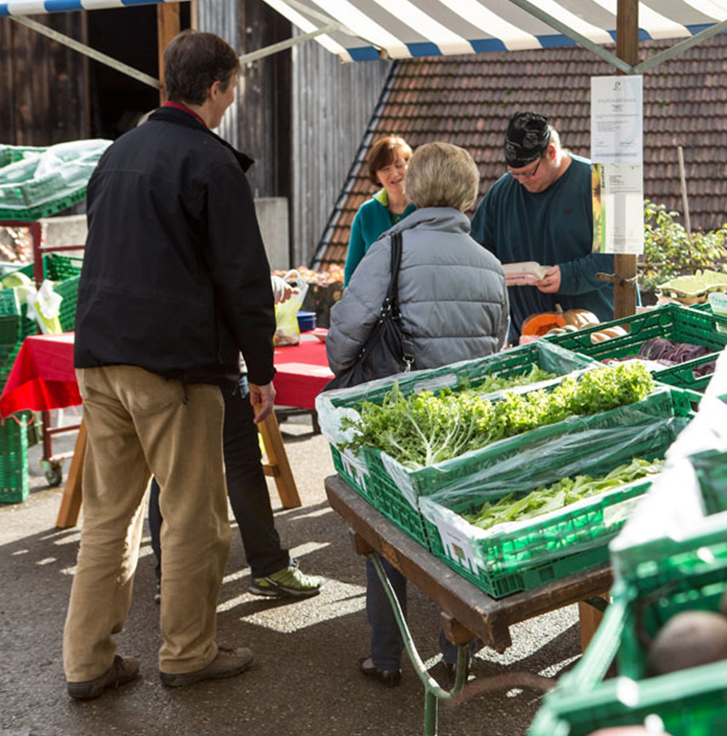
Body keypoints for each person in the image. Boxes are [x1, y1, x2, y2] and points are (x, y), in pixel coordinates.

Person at [65, 30, 273, 700]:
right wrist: (262, 371)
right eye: (232, 87)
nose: (232, 98)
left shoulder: (116, 155)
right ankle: (187, 653)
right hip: (174, 366)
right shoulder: (211, 164)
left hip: (99, 357)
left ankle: (87, 663)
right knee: (193, 516)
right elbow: (244, 280)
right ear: (215, 88)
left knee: (108, 516)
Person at [327, 142, 509, 686]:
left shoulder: (390, 248)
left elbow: (344, 337)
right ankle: (456, 657)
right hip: (464, 423)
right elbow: (496, 350)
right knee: (457, 539)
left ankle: (386, 657)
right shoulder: (490, 265)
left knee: (388, 533)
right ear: (468, 193)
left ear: (418, 187)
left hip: (397, 416)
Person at [145, 275, 325, 603]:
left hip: (159, 356)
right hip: (215, 358)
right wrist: (268, 287)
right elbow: (234, 279)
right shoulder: (209, 224)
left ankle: (169, 577)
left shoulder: (142, 227)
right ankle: (268, 567)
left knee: (169, 468)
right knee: (240, 464)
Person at [470, 111, 614, 343]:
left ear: (552, 152)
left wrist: (569, 276)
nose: (521, 180)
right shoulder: (502, 192)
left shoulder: (598, 183)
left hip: (598, 336)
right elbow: (477, 252)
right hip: (528, 336)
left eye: (528, 173)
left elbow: (617, 257)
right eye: (514, 174)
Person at [344, 135, 416, 285]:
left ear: (410, 165)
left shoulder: (425, 209)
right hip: (377, 305)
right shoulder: (366, 214)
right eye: (385, 169)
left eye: (399, 165)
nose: (394, 174)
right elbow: (353, 269)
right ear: (376, 176)